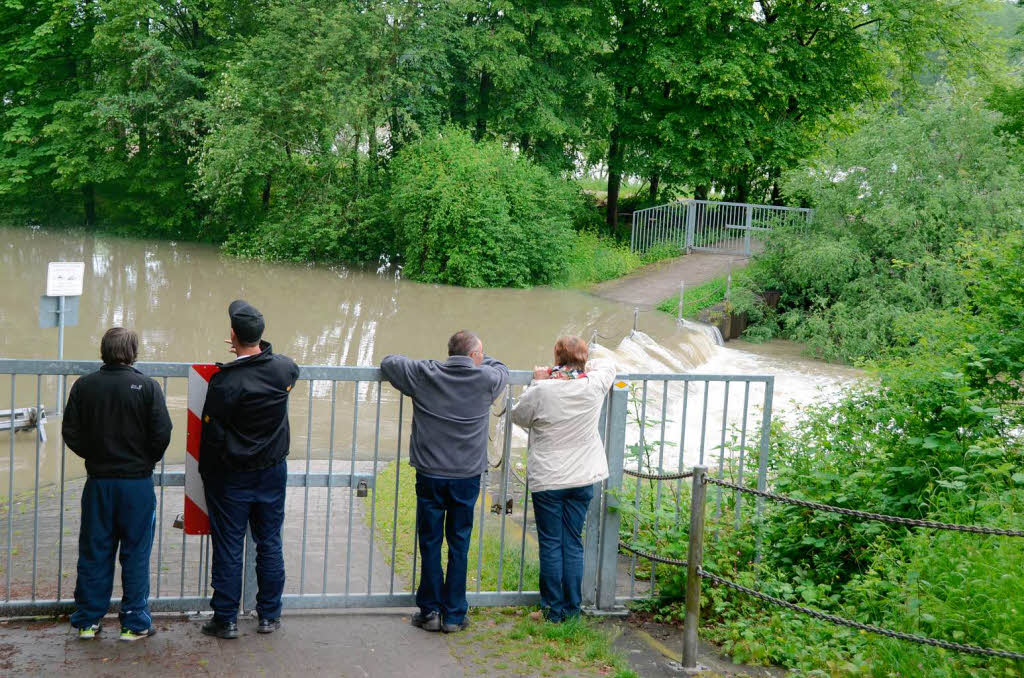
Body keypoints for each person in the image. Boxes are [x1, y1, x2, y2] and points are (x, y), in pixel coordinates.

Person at [381, 330, 509, 633]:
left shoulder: (424, 373)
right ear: (475, 356)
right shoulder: (486, 379)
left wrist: (437, 363)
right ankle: (453, 616)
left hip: (431, 474)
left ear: (449, 354)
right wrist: (477, 360)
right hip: (466, 476)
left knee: (430, 542)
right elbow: (501, 367)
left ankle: (430, 612)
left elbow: (389, 362)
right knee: (459, 543)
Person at [62, 327, 173, 641]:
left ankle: (87, 621)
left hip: (99, 483)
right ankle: (134, 624)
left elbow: (70, 432)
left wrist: (96, 454)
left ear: (103, 351)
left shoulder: (84, 387)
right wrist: (144, 459)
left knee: (95, 550)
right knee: (136, 553)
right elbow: (162, 433)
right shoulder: (147, 387)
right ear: (133, 352)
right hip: (136, 484)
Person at [198, 300, 299, 639]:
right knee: (269, 542)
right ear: (262, 335)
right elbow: (279, 363)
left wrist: (208, 476)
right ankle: (269, 615)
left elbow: (211, 435)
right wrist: (254, 348)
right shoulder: (284, 370)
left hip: (233, 477)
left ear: (232, 336)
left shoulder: (226, 383)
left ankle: (225, 619)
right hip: (272, 472)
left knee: (229, 546)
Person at [511, 336, 614, 622]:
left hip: (549, 478)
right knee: (573, 542)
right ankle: (572, 609)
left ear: (556, 358)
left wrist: (536, 380)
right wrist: (583, 366)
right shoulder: (593, 385)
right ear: (582, 359)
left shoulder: (543, 389)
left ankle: (553, 610)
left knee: (551, 543)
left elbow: (518, 417)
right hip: (582, 476)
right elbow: (609, 365)